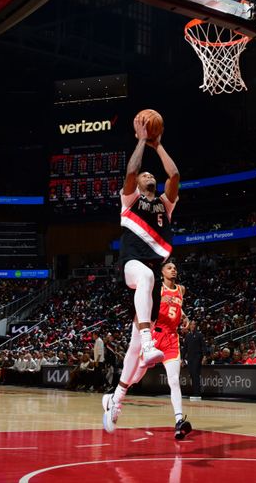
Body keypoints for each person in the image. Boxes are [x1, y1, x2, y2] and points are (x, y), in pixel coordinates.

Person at [103, 113, 180, 432]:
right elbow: (132, 170)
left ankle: (115, 398)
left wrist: (157, 145)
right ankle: (149, 342)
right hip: (132, 266)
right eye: (145, 173)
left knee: (134, 363)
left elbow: (174, 174)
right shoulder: (130, 199)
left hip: (149, 286)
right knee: (147, 278)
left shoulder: (164, 203)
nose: (148, 174)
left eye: (152, 174)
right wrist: (140, 141)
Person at [107, 261, 193, 440]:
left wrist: (184, 316)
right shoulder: (156, 289)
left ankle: (178, 421)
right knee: (136, 377)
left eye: (175, 267)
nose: (173, 269)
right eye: (169, 267)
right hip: (155, 335)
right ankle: (114, 397)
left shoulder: (181, 289)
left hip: (171, 338)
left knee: (174, 380)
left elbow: (177, 306)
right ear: (161, 272)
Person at [182, 320, 206, 401]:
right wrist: (182, 358)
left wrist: (204, 356)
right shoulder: (187, 336)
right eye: (191, 324)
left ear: (196, 326)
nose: (192, 326)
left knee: (196, 374)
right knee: (192, 375)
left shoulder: (199, 335)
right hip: (190, 358)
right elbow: (185, 348)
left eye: (194, 324)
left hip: (197, 357)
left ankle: (197, 393)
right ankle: (195, 392)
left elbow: (203, 346)